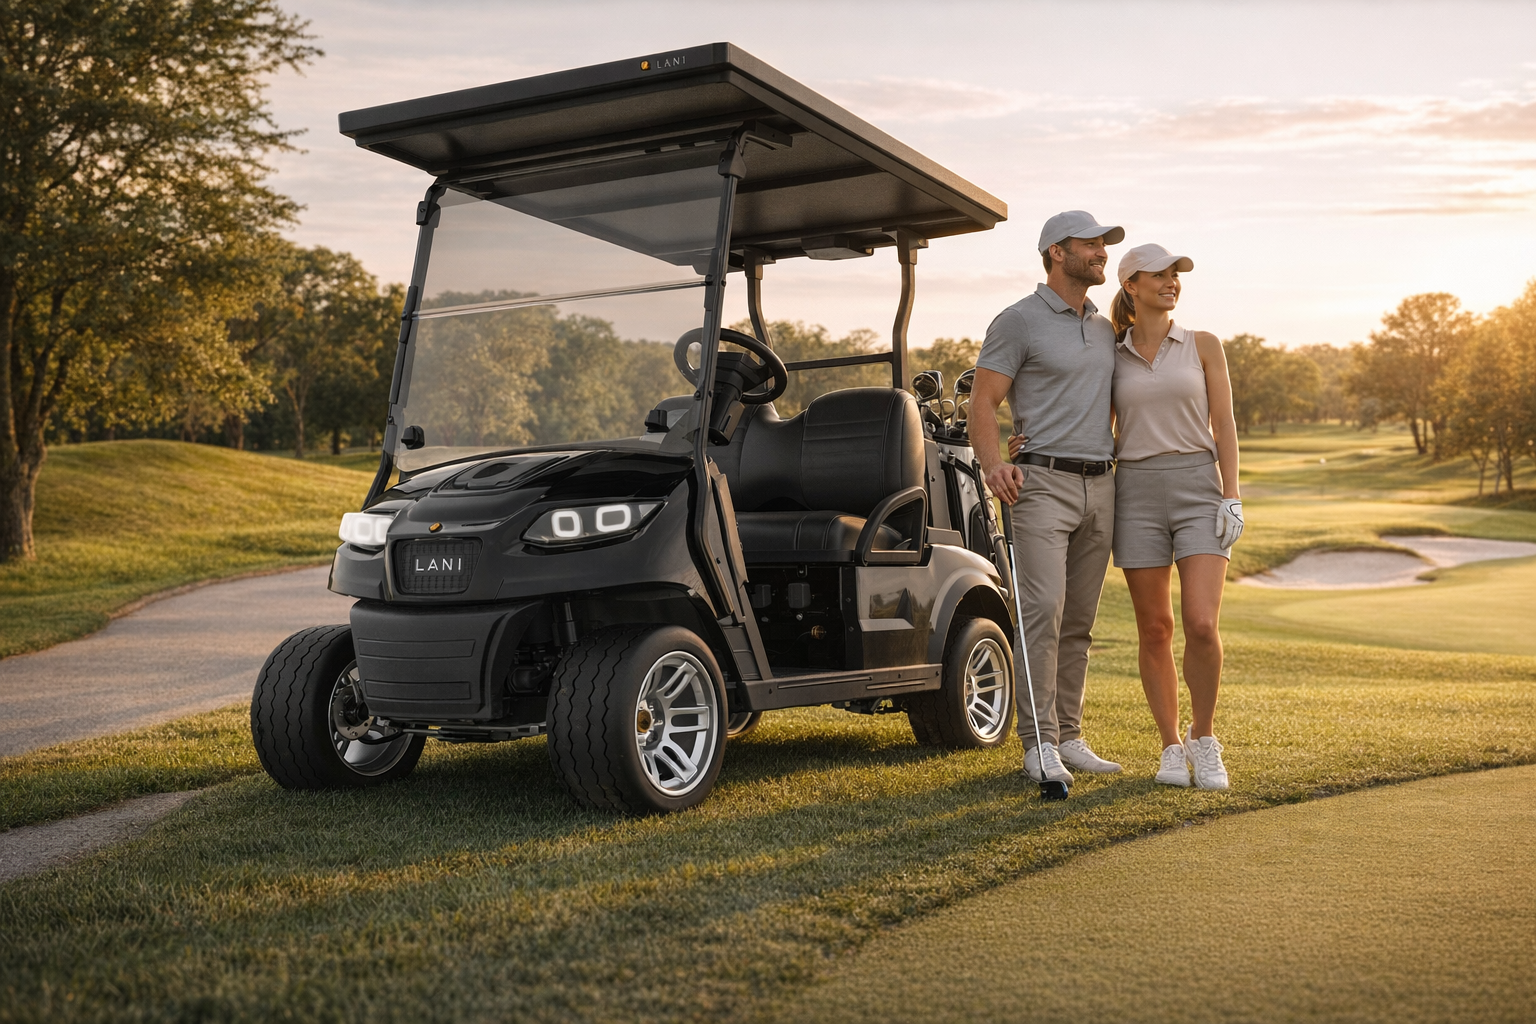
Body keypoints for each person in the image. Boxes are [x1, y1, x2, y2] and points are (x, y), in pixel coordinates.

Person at [972, 211, 1125, 793]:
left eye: (1104, 245)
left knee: (1080, 623)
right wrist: (994, 464)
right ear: (1056, 252)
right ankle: (1038, 744)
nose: (1102, 253)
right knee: (1043, 616)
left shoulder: (1104, 327)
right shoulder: (1018, 321)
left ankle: (1069, 735)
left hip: (1100, 484)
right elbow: (983, 403)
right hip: (1041, 488)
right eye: (1091, 244)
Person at [1103, 242, 1240, 789]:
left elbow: (1225, 424)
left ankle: (1204, 739)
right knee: (1154, 627)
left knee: (1202, 624)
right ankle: (1169, 746)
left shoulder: (1204, 344)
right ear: (1130, 286)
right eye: (1157, 275)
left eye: (1175, 274)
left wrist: (1231, 495)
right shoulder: (1109, 355)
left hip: (1198, 488)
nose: (1170, 281)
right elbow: (1096, 425)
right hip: (1134, 491)